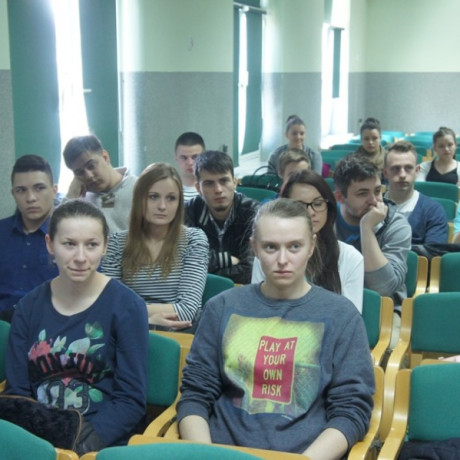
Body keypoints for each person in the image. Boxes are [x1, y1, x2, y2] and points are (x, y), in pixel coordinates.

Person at [177, 198, 374, 459]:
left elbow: (351, 411)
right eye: (271, 247)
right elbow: (196, 395)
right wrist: (205, 456)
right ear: (255, 248)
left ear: (311, 246)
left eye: (294, 247)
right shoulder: (221, 307)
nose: (283, 260)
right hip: (222, 452)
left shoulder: (342, 316)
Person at [4, 200, 149, 455]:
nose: (81, 257)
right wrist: (39, 448)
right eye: (69, 244)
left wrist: (80, 447)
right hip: (38, 440)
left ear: (105, 246)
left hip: (98, 443)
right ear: (50, 244)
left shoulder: (127, 306)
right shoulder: (28, 307)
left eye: (91, 245)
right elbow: (17, 392)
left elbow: (130, 400)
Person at [101, 163, 209, 331]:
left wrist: (136, 314)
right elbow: (108, 306)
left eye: (171, 198)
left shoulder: (194, 239)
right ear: (139, 199)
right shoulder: (116, 242)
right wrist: (149, 320)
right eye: (153, 197)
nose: (162, 206)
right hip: (129, 331)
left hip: (179, 332)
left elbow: (187, 310)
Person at [252, 169, 364, 311]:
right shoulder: (268, 254)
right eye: (299, 205)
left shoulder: (351, 258)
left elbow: (349, 318)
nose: (311, 212)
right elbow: (258, 310)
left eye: (318, 203)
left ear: (328, 207)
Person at [333, 155, 411, 309]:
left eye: (377, 191)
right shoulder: (326, 220)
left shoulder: (396, 225)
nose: (374, 201)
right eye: (362, 193)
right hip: (334, 304)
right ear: (340, 197)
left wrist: (367, 228)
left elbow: (384, 288)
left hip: (383, 309)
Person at [185, 150, 259, 284]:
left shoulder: (253, 212)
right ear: (198, 188)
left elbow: (250, 270)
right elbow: (183, 264)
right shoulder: (188, 211)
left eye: (224, 181)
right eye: (209, 183)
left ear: (234, 182)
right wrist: (225, 259)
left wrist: (206, 271)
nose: (218, 190)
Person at [0, 155, 59, 321]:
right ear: (13, 194)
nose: (31, 198)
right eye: (21, 190)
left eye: (39, 188)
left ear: (54, 191)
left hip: (51, 324)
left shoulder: (71, 237)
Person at [63, 134, 137, 234]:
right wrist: (70, 197)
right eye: (80, 172)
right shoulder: (81, 201)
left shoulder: (140, 189)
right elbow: (58, 234)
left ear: (105, 157)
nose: (89, 176)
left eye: (91, 166)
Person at [383, 140, 448, 245]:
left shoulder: (433, 211)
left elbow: (434, 251)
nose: (402, 175)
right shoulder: (371, 206)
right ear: (385, 173)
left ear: (417, 171)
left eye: (408, 168)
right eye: (395, 168)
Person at [174, 132, 206, 201]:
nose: (190, 163)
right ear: (176, 159)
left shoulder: (214, 189)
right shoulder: (168, 190)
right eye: (184, 157)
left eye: (195, 157)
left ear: (204, 157)